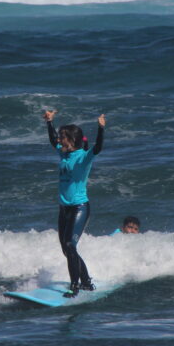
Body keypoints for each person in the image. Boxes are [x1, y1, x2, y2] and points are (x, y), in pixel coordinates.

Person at [44, 109, 104, 297]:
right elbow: (53, 140)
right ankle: (86, 282)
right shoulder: (64, 154)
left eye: (63, 138)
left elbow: (98, 148)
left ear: (71, 140)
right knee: (67, 249)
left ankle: (74, 286)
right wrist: (49, 123)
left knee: (70, 245)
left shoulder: (83, 157)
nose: (60, 141)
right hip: (64, 209)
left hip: (80, 207)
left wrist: (101, 129)